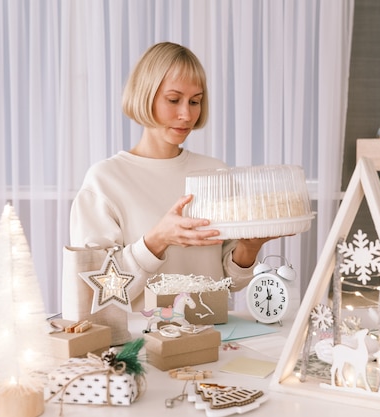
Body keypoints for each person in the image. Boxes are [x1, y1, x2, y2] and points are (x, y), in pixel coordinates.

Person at [67, 42, 277, 344]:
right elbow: (96, 292)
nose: (186, 115)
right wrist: (156, 240)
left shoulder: (215, 173)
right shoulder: (106, 180)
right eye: (174, 99)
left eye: (195, 101)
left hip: (213, 339)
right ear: (145, 97)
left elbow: (230, 283)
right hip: (140, 347)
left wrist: (249, 249)